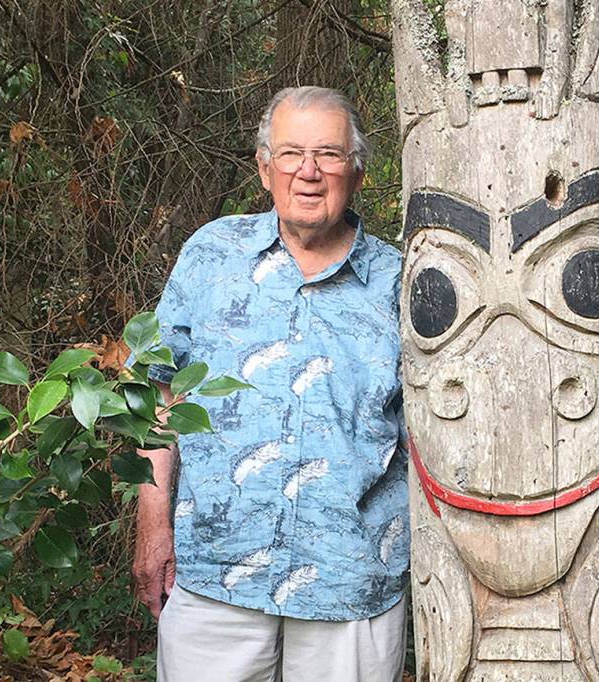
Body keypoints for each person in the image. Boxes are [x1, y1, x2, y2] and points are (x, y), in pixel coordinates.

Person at [132, 86, 408, 681]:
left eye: (330, 155)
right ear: (264, 169)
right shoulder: (210, 256)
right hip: (215, 574)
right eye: (290, 154)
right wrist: (154, 526)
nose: (308, 172)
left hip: (352, 578)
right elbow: (159, 397)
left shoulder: (400, 281)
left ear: (356, 172)